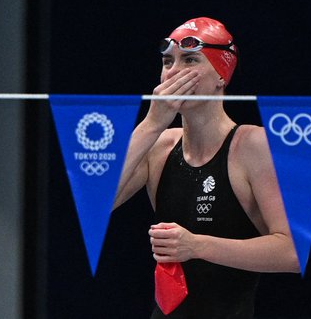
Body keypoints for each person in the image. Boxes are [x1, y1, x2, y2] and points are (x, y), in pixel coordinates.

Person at [112, 17, 299, 318]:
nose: (174, 72)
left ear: (221, 75)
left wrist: (196, 246)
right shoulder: (158, 146)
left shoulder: (251, 146)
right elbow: (98, 204)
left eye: (190, 60)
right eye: (168, 62)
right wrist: (150, 124)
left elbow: (292, 252)